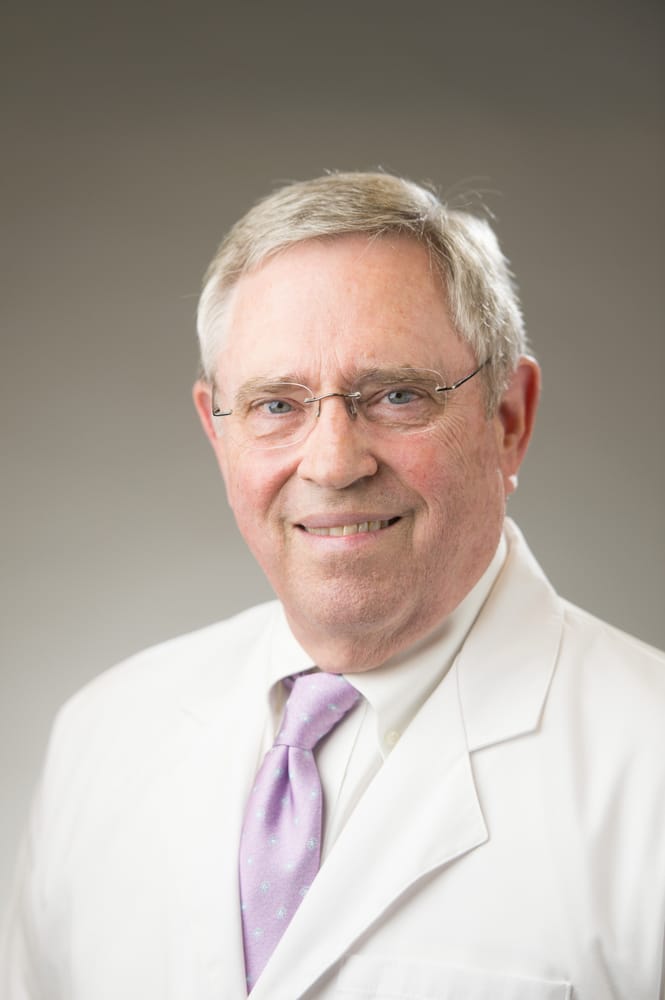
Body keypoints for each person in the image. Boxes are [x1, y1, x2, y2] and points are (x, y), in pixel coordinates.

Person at [2, 172, 664, 1000]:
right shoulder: (102, 736)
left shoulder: (648, 768)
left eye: (396, 395)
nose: (332, 463)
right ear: (216, 431)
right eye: (277, 405)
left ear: (507, 420)